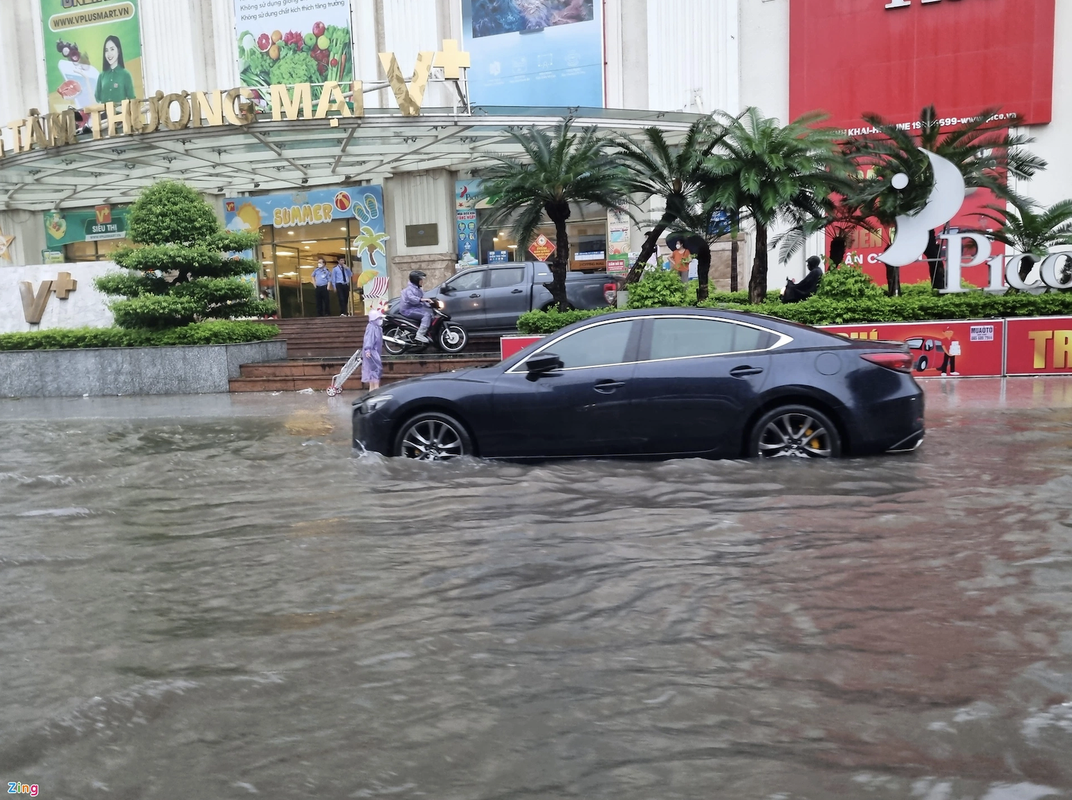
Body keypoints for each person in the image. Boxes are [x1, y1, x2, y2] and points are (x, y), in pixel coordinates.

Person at [94, 36, 136, 104]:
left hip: (121, 113)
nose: (109, 54)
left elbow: (131, 98)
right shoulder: (102, 75)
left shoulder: (125, 74)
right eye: (106, 50)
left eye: (112, 49)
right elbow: (97, 97)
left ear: (118, 51)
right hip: (105, 113)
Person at [399, 270, 433, 343]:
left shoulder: (418, 289)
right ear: (416, 280)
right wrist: (422, 300)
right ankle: (420, 334)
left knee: (430, 313)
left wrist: (431, 303)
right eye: (421, 280)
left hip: (415, 308)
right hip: (407, 310)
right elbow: (412, 298)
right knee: (426, 315)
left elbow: (423, 299)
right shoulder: (409, 289)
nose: (422, 281)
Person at [362, 300, 387, 391]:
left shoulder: (376, 328)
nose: (379, 320)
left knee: (373, 369)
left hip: (374, 351)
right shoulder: (372, 327)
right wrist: (368, 349)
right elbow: (368, 339)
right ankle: (375, 388)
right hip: (372, 352)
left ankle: (372, 388)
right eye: (378, 318)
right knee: (376, 369)